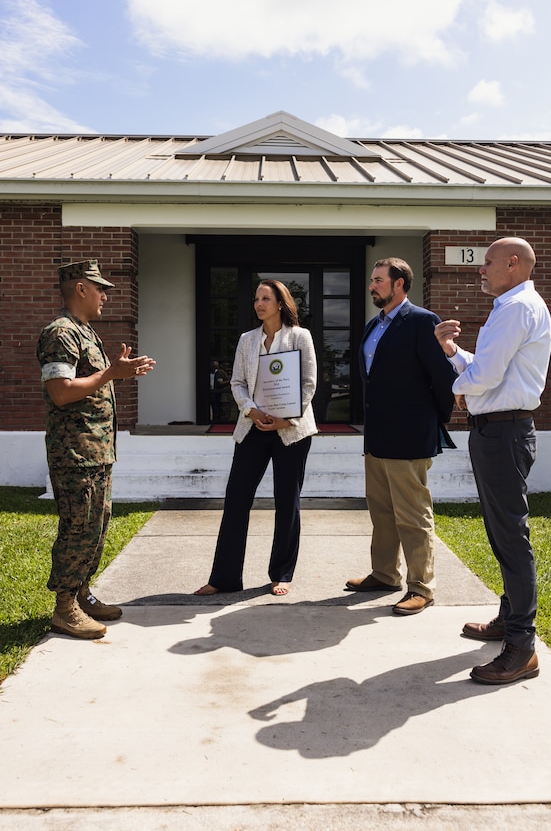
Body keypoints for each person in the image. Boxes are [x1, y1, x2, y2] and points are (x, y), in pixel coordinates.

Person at [434, 237, 551, 685]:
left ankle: (522, 648)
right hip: (495, 430)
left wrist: (456, 384)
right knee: (501, 533)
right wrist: (453, 354)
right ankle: (510, 618)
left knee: (511, 536)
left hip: (504, 432)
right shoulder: (512, 306)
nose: (480, 270)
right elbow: (485, 369)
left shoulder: (519, 307)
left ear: (514, 264)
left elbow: (483, 377)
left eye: (488, 263)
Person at [36, 259, 156, 640]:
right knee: (77, 527)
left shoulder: (85, 332)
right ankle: (64, 607)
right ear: (80, 288)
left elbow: (93, 383)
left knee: (96, 527)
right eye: (99, 287)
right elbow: (60, 391)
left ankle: (82, 594)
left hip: (96, 450)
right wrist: (110, 374)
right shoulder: (60, 333)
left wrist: (119, 372)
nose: (105, 294)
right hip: (73, 453)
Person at [346, 258, 457, 615]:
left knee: (412, 514)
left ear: (399, 285)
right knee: (381, 511)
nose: (372, 286)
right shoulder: (372, 327)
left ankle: (421, 587)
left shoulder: (423, 321)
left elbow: (443, 378)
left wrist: (433, 420)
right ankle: (384, 574)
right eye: (372, 280)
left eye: (378, 280)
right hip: (377, 436)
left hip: (410, 435)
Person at [194, 280, 318, 597]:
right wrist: (250, 411)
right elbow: (236, 383)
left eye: (266, 298)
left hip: (291, 430)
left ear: (280, 303)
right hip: (252, 427)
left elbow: (309, 384)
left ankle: (282, 574)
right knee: (236, 499)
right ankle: (224, 578)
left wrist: (285, 418)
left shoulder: (300, 337)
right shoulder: (247, 340)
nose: (259, 303)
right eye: (256, 298)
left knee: (286, 501)